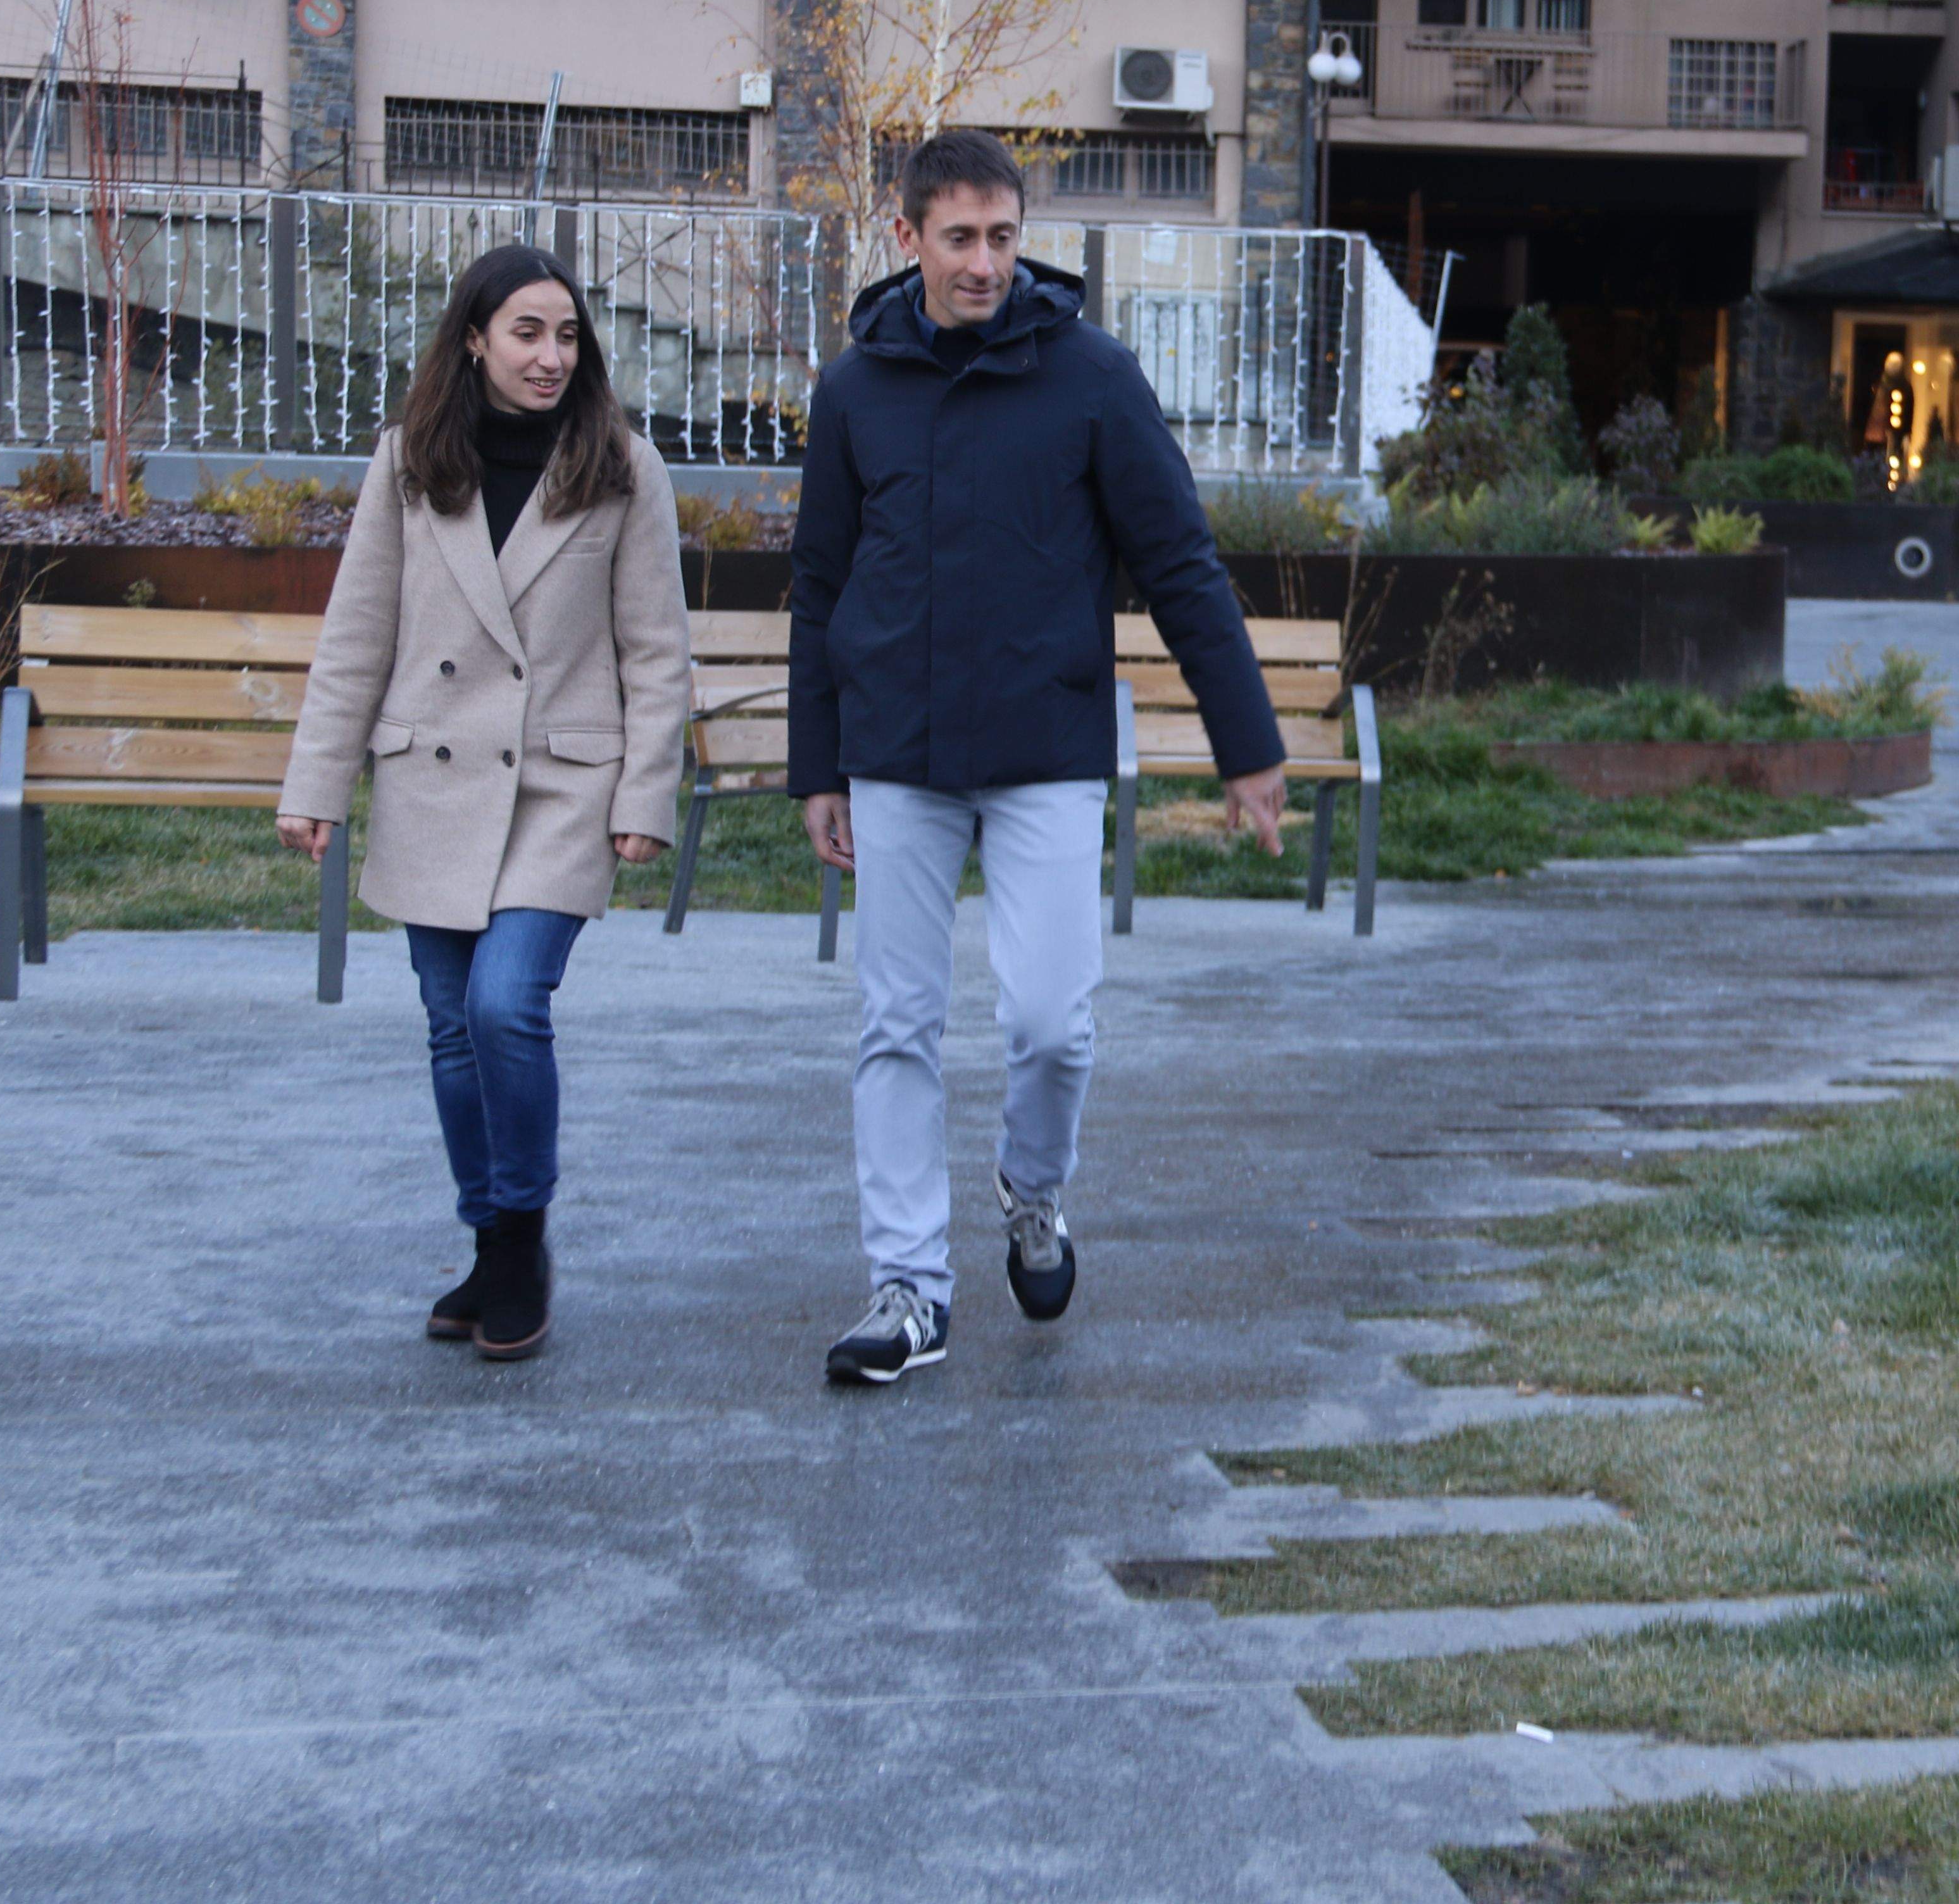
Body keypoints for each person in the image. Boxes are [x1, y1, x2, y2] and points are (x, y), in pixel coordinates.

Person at [791, 129, 1286, 1387]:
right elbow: (820, 586)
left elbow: (1179, 560)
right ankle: (909, 1287)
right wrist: (818, 765)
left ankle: (1035, 1186)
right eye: (958, 238)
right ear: (906, 239)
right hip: (897, 752)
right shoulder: (855, 390)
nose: (984, 264)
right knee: (898, 1023)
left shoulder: (1093, 378)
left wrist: (1248, 745)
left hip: (1046, 748)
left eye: (1003, 238)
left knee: (1052, 1025)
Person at [277, 244, 692, 1362]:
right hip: (435, 781)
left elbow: (658, 653)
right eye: (527, 334)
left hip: (564, 784)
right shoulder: (410, 464)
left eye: (567, 336)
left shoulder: (621, 467)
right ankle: (492, 1235)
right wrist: (316, 783)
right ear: (474, 339)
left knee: (508, 1007)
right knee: (452, 1032)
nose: (552, 356)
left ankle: (520, 1236)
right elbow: (357, 637)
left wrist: (646, 790)